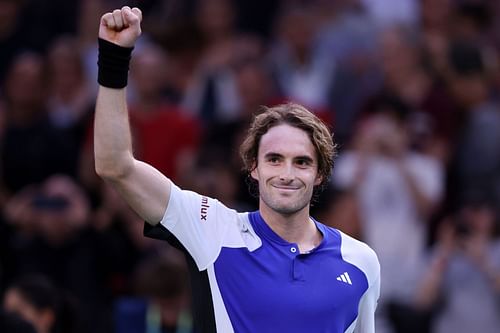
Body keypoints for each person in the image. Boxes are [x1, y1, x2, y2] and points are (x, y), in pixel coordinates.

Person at [94, 6, 380, 333]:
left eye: (301, 161)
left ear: (320, 174)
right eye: (274, 159)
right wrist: (114, 59)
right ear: (253, 168)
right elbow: (114, 164)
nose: (287, 173)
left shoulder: (361, 261)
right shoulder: (211, 227)